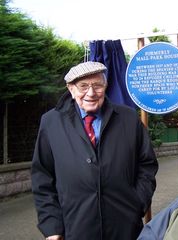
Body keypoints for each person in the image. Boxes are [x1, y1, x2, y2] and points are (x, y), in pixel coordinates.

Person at [31, 61, 158, 240]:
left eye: (97, 85)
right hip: (73, 227)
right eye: (83, 86)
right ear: (71, 89)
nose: (91, 93)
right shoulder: (51, 122)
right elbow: (42, 177)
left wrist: (136, 203)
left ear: (105, 86)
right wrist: (52, 226)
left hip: (124, 226)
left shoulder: (128, 118)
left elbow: (147, 165)